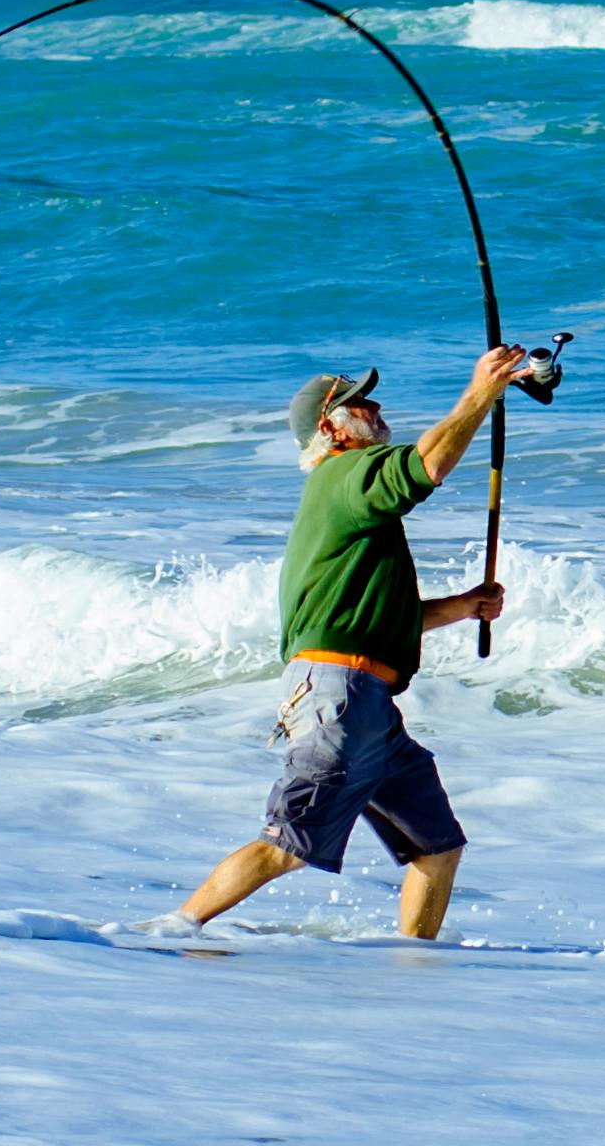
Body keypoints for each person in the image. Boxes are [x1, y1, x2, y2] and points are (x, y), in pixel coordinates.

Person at [175, 346, 522, 939]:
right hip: (339, 694)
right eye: (360, 401)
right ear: (330, 426)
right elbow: (427, 466)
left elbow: (364, 619)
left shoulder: (345, 495)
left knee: (436, 846)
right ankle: (170, 930)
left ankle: (416, 962)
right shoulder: (344, 473)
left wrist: (459, 608)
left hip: (364, 701)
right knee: (287, 844)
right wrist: (479, 394)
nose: (377, 404)